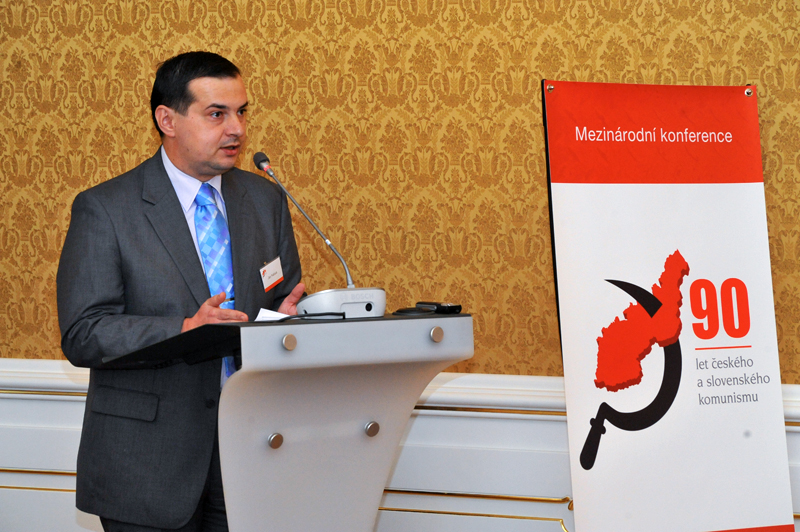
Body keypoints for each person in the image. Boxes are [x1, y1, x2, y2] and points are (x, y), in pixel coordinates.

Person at [56, 51, 304, 532]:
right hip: (148, 463)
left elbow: (279, 299)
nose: (237, 129)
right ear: (166, 120)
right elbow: (84, 333)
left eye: (241, 112)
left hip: (252, 453)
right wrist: (186, 328)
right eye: (217, 114)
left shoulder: (265, 200)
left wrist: (292, 322)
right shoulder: (105, 209)